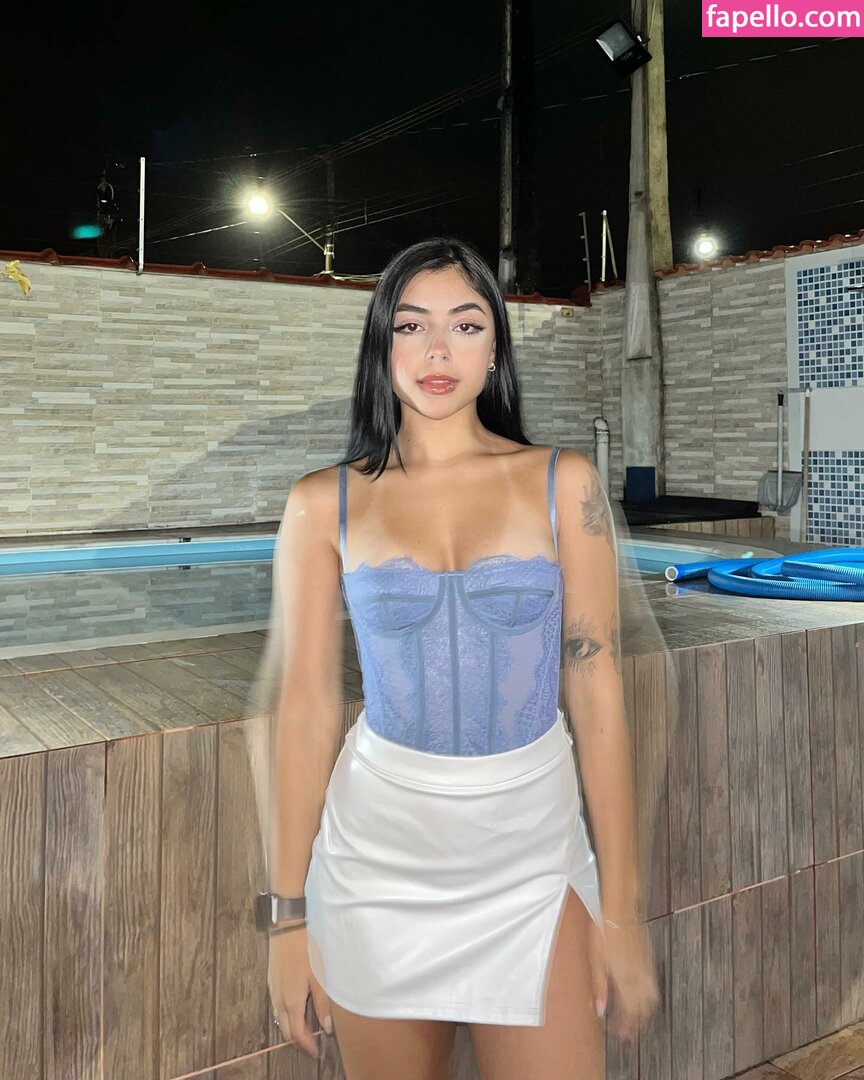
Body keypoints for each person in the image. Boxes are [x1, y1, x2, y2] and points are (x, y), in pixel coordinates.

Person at [253, 237, 660, 1080]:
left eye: (466, 325)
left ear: (496, 348)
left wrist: (620, 913)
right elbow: (304, 706)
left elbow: (596, 692)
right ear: (382, 345)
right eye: (412, 326)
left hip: (531, 851)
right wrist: (287, 918)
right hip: (378, 859)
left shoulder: (564, 484)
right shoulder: (322, 503)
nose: (438, 351)